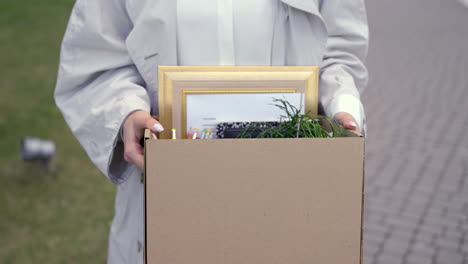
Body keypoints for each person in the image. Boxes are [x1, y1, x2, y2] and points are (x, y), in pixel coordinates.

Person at [54, 0, 368, 263]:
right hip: (168, 197)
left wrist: (342, 105)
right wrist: (125, 112)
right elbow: (97, 54)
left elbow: (339, 50)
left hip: (288, 195)